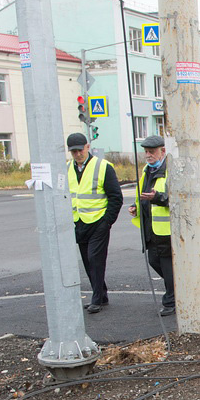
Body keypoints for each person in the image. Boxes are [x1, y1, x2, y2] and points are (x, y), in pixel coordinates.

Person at [66, 133, 123, 314]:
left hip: (98, 222)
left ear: (87, 147)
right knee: (87, 261)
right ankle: (102, 294)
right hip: (79, 222)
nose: (77, 154)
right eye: (73, 151)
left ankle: (97, 299)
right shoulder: (67, 168)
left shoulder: (103, 167)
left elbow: (116, 197)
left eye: (80, 150)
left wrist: (107, 222)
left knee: (95, 260)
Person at [128, 135, 175, 316]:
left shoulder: (170, 170)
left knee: (167, 265)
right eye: (146, 152)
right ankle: (179, 288)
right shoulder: (147, 170)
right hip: (150, 229)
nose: (148, 155)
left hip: (165, 230)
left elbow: (177, 198)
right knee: (154, 261)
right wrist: (136, 208)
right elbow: (142, 195)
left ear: (163, 151)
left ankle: (171, 301)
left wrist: (157, 198)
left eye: (152, 152)